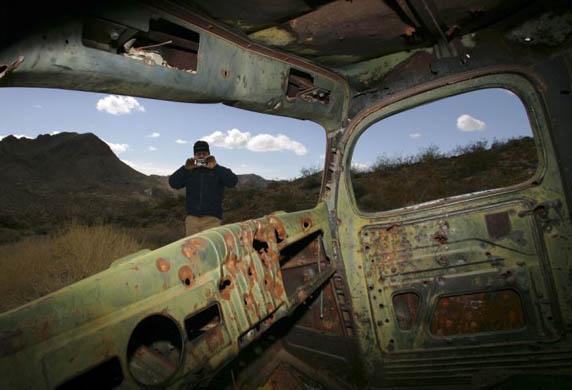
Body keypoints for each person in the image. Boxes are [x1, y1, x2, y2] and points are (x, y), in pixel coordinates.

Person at [169, 140, 238, 236]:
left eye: (204, 154)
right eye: (198, 154)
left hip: (212, 219)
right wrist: (185, 168)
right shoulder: (189, 171)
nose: (201, 156)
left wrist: (216, 167)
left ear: (209, 154)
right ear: (194, 155)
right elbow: (173, 183)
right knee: (192, 249)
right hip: (192, 220)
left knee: (210, 249)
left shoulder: (216, 171)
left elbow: (232, 182)